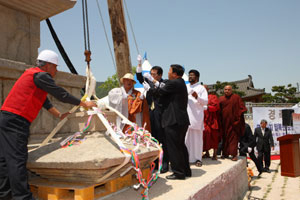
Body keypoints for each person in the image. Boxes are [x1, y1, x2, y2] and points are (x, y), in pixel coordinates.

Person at [0, 50, 96, 200]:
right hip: (16, 122)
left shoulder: (33, 75)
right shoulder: (41, 75)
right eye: (55, 67)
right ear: (49, 65)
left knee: (5, 160)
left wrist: (59, 115)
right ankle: (22, 197)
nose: (56, 71)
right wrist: (84, 103)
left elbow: (44, 101)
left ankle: (4, 195)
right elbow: (61, 94)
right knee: (17, 160)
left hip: (6, 118)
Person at [146, 64, 191, 180]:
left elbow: (159, 92)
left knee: (174, 147)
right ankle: (186, 170)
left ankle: (178, 172)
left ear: (175, 74)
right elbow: (164, 92)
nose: (168, 73)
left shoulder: (174, 83)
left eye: (170, 71)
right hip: (181, 120)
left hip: (173, 120)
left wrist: (149, 89)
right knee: (180, 146)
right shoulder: (179, 83)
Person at [135, 56, 169, 172]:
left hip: (161, 113)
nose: (152, 76)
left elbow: (161, 92)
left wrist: (150, 88)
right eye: (151, 74)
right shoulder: (148, 82)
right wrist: (139, 64)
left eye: (154, 74)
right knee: (152, 137)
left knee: (162, 138)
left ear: (159, 75)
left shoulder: (165, 83)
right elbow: (139, 77)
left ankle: (164, 162)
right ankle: (154, 161)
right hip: (150, 113)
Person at [185, 70, 208, 167]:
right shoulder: (186, 87)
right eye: (189, 75)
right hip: (186, 116)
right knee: (186, 139)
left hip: (196, 117)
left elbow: (205, 102)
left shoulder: (201, 88)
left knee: (197, 139)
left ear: (197, 77)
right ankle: (187, 158)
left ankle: (198, 159)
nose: (190, 77)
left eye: (192, 76)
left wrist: (197, 97)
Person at [219, 85, 247, 161]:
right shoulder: (221, 99)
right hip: (224, 122)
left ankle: (234, 155)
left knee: (233, 139)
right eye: (225, 89)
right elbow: (218, 110)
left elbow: (242, 108)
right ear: (223, 90)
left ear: (231, 90)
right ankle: (225, 153)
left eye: (228, 89)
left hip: (234, 123)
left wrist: (237, 117)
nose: (227, 91)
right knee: (225, 138)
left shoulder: (236, 98)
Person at [202, 85, 221, 160]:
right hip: (203, 120)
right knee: (204, 136)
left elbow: (216, 107)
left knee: (214, 137)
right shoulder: (198, 97)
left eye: (204, 89)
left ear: (207, 89)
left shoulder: (212, 97)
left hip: (212, 120)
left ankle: (215, 154)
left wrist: (207, 107)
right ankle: (207, 153)